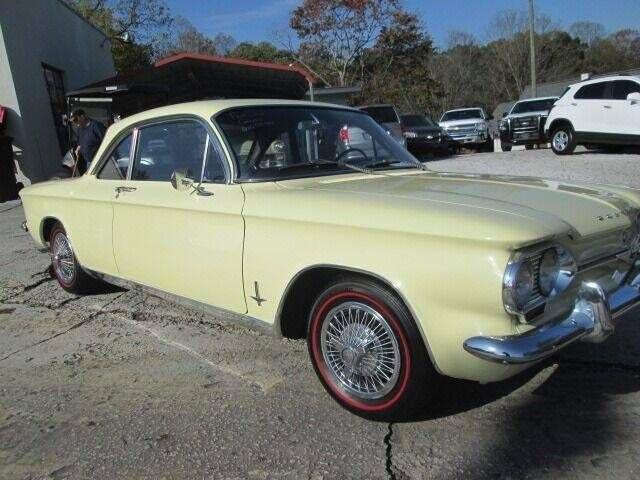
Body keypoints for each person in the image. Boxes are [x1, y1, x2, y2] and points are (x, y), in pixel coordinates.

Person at [69, 109, 106, 174]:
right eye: (73, 121)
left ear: (82, 117)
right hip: (89, 162)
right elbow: (80, 143)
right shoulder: (79, 130)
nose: (75, 123)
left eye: (75, 120)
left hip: (100, 162)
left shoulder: (96, 126)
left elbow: (106, 140)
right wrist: (79, 148)